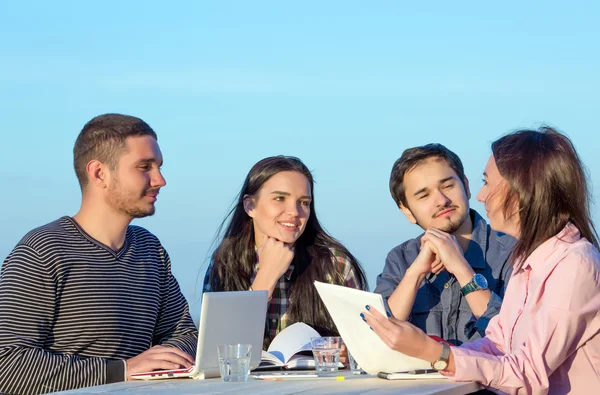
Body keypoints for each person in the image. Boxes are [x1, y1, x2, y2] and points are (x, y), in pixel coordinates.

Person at [363, 127, 600, 394]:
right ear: (406, 209)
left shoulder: (573, 264)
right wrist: (436, 355)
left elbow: (526, 373)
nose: (480, 196)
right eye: (424, 195)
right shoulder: (531, 260)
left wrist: (433, 351)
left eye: (486, 183)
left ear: (523, 189)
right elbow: (499, 342)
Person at [0, 114, 197, 395]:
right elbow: (7, 365)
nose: (160, 180)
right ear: (99, 173)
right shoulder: (42, 251)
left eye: (159, 167)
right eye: (145, 167)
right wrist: (123, 370)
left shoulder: (149, 250)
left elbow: (187, 335)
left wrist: (165, 359)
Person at [203, 155, 369, 351]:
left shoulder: (335, 264)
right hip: (249, 381)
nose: (294, 211)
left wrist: (346, 350)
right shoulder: (225, 263)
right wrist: (266, 276)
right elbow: (219, 351)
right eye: (280, 198)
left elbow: (366, 342)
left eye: (304, 202)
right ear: (250, 206)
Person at [375, 144, 515, 345]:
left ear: (466, 186)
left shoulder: (512, 252)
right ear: (406, 211)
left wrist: (460, 267)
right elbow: (377, 337)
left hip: (487, 375)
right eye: (424, 195)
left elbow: (513, 335)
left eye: (448, 186)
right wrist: (415, 274)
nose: (441, 200)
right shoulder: (401, 258)